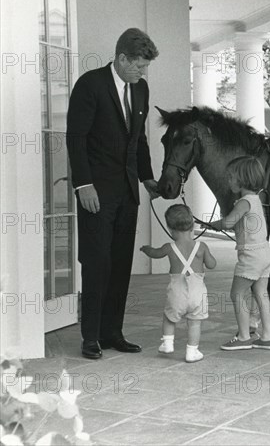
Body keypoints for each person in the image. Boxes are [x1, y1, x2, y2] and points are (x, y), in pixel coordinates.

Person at [66, 28, 160, 360]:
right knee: (97, 262)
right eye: (139, 65)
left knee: (120, 263)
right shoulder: (89, 85)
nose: (143, 72)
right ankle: (90, 336)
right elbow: (76, 139)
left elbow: (139, 138)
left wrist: (147, 178)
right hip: (95, 191)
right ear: (121, 59)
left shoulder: (141, 89)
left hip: (127, 192)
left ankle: (112, 333)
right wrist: (83, 185)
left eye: (145, 67)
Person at [211, 156, 270, 351]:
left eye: (231, 177)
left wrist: (215, 224)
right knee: (261, 293)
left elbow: (229, 223)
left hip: (251, 256)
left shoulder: (243, 202)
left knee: (236, 293)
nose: (228, 181)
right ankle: (266, 337)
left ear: (242, 179)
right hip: (265, 253)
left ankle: (244, 336)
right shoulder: (256, 200)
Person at [140, 205, 216, 363]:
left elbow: (155, 253)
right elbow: (211, 264)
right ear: (192, 225)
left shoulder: (169, 248)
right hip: (197, 293)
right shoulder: (201, 247)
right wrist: (208, 258)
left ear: (170, 228)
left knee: (169, 317)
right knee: (195, 323)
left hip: (176, 292)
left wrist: (147, 249)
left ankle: (167, 343)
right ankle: (192, 352)